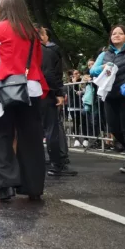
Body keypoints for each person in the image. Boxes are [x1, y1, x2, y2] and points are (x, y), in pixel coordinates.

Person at [0, 0, 47, 201]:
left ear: (2, 7)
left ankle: (6, 185)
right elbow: (38, 60)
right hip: (31, 87)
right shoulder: (33, 31)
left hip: (5, 87)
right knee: (31, 137)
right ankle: (33, 187)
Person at [90, 25, 125, 173]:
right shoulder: (105, 54)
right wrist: (104, 66)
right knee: (113, 128)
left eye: (120, 33)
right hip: (109, 95)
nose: (116, 35)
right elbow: (92, 70)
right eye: (114, 33)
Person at [37, 26, 77, 177]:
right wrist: (58, 93)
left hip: (27, 95)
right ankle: (57, 164)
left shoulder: (22, 51)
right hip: (45, 94)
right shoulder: (46, 52)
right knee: (51, 129)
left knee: (35, 130)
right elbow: (49, 74)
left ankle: (37, 163)